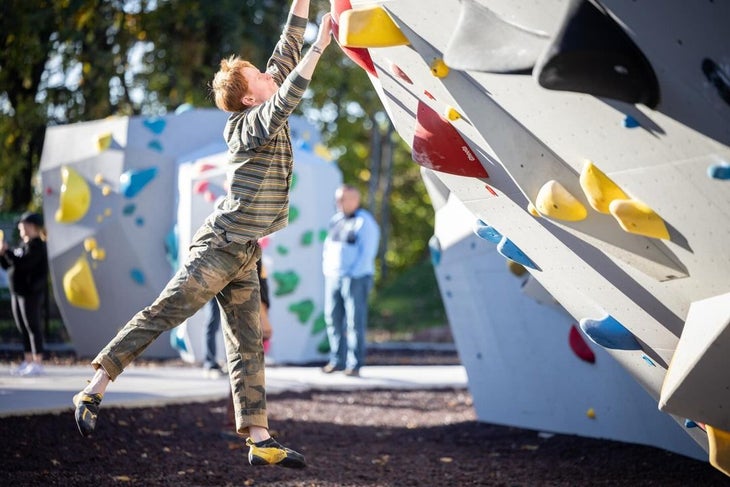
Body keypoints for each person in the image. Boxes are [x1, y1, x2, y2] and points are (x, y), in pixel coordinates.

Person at [72, 0, 332, 469]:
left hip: (245, 252)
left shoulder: (263, 95)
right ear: (252, 97)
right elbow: (290, 91)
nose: (271, 73)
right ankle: (92, 390)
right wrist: (321, 46)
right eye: (261, 76)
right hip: (218, 246)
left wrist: (304, 7)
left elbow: (288, 43)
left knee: (247, 342)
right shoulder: (248, 125)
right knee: (167, 311)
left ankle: (259, 439)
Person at [321, 185, 380, 377]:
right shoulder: (336, 220)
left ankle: (355, 363)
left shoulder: (365, 222)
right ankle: (337, 359)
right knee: (333, 318)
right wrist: (328, 270)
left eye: (343, 199)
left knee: (355, 321)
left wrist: (351, 273)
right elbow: (328, 247)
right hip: (334, 276)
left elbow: (367, 253)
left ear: (355, 200)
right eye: (337, 199)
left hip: (356, 278)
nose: (338, 203)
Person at [203, 254, 272, 379]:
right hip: (218, 281)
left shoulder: (253, 249)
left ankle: (231, 363)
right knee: (213, 323)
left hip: (235, 286)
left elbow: (261, 278)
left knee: (233, 326)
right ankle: (210, 363)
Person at [0, 212, 49, 377]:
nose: (21, 227)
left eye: (24, 224)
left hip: (30, 293)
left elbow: (23, 264)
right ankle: (28, 361)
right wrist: (3, 254)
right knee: (23, 327)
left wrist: (7, 252)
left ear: (32, 226)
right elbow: (9, 265)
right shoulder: (22, 245)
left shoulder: (37, 246)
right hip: (18, 292)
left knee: (32, 326)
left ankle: (38, 362)